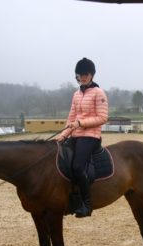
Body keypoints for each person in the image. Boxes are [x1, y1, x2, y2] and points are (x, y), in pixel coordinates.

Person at [54, 57, 108, 217]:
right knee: (60, 160)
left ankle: (86, 204)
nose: (82, 77)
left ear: (92, 75)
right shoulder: (76, 94)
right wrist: (62, 136)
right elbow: (71, 118)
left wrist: (81, 123)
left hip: (91, 135)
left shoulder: (99, 93)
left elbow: (102, 118)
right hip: (76, 134)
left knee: (78, 166)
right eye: (80, 75)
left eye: (86, 74)